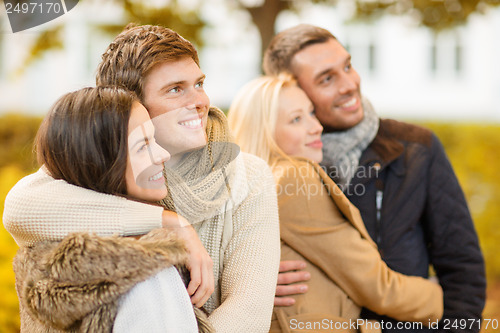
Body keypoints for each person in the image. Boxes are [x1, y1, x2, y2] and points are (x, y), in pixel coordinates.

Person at [4, 24, 280, 332]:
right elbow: (20, 209)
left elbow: (249, 310)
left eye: (199, 83)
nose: (200, 101)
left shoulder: (249, 176)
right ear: (128, 105)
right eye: (176, 89)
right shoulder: (98, 167)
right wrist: (168, 221)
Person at [262, 24, 486, 332]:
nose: (349, 84)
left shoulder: (415, 148)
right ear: (294, 89)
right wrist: (253, 282)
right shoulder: (275, 167)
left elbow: (462, 267)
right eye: (327, 79)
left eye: (348, 66)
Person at [228, 75, 443, 332]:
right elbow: (374, 284)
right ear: (264, 131)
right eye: (296, 119)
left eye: (310, 113)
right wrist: (439, 296)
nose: (316, 127)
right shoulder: (295, 176)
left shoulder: (252, 182)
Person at [13, 86, 210, 332]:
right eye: (142, 147)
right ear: (100, 165)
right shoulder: (147, 272)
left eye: (154, 140)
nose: (162, 155)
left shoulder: (41, 264)